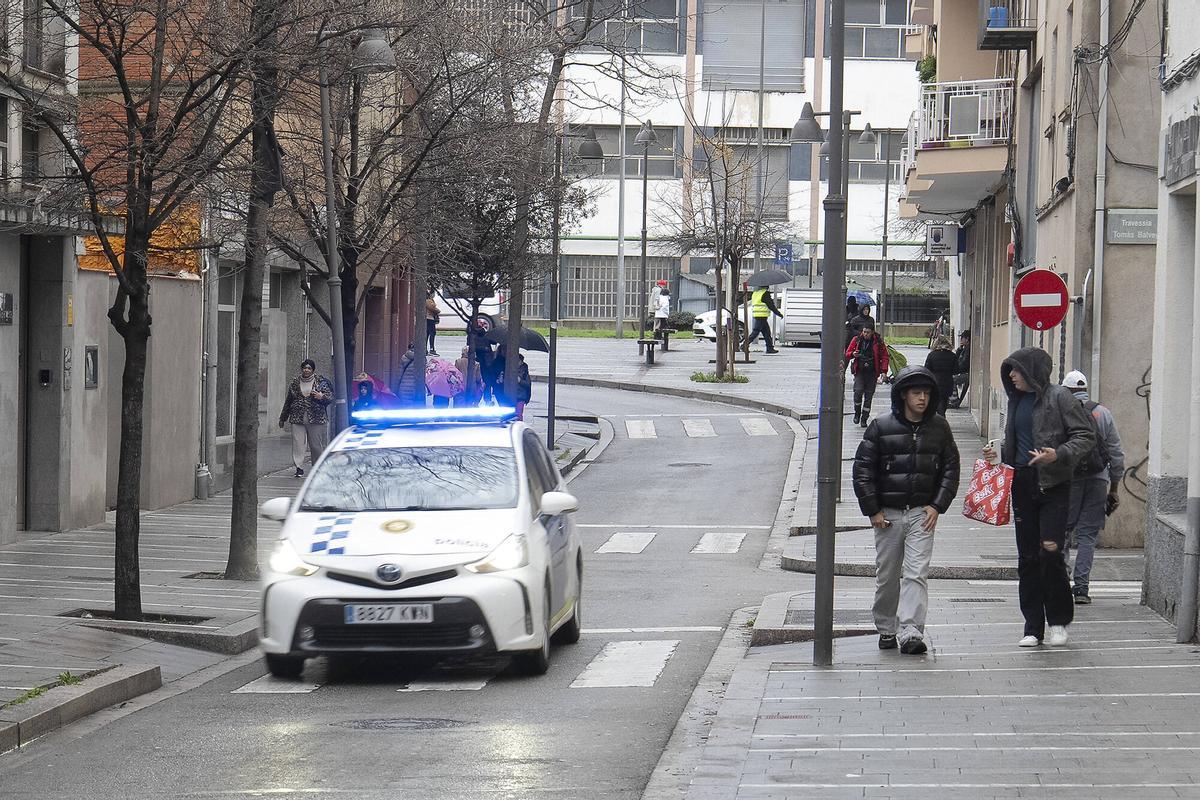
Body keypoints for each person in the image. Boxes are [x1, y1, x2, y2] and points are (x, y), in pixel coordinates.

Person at [983, 348, 1094, 648]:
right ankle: (1033, 626)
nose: (1011, 375)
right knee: (1028, 558)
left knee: (1050, 552)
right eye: (1010, 371)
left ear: (1032, 371)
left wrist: (1057, 454)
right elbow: (1016, 442)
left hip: (1054, 484)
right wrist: (998, 454)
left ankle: (1058, 620)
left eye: (1016, 370)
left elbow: (1085, 436)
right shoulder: (1015, 401)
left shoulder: (1060, 397)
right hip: (1022, 482)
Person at [853, 366, 960, 655]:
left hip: (921, 514)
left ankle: (911, 630)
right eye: (916, 393)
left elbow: (951, 468)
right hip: (887, 514)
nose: (922, 399)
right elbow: (863, 470)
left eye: (926, 393)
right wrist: (873, 510)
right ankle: (887, 627)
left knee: (916, 573)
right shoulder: (881, 426)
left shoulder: (939, 428)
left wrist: (937, 505)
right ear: (903, 396)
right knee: (887, 575)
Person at [1061, 370, 1126, 605]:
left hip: (1068, 480)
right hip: (1099, 479)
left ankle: (1060, 582)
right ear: (1086, 389)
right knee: (1088, 536)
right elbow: (1117, 454)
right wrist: (1115, 487)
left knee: (1062, 532)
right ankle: (1081, 589)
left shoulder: (1061, 411)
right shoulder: (1103, 413)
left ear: (1065, 390)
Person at [278, 359, 333, 478]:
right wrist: (283, 417)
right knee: (298, 443)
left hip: (316, 418)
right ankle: (299, 467)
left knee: (315, 444)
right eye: (304, 368)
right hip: (297, 417)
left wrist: (321, 396)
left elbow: (330, 398)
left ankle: (317, 467)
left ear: (313, 370)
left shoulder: (320, 382)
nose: (306, 370)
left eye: (309, 368)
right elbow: (288, 400)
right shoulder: (295, 382)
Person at [844, 320, 889, 427]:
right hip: (860, 371)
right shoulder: (857, 340)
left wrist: (884, 371)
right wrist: (853, 354)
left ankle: (864, 418)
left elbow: (885, 356)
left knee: (869, 397)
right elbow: (847, 353)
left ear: (872, 332)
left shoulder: (878, 342)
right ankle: (857, 413)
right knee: (858, 392)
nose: (865, 334)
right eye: (864, 332)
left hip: (872, 373)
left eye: (868, 332)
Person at [923, 336, 957, 415]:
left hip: (935, 382)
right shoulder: (952, 355)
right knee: (944, 401)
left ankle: (939, 416)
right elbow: (956, 370)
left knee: (936, 400)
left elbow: (927, 369)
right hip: (948, 382)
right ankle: (941, 415)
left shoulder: (932, 355)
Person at [747, 285, 782, 354]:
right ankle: (744, 345)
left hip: (757, 314)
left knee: (766, 333)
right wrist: (778, 314)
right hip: (761, 315)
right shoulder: (765, 293)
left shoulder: (755, 293)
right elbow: (771, 305)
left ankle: (770, 348)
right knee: (756, 331)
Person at [949, 331, 971, 408]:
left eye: (962, 338)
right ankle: (953, 399)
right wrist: (959, 349)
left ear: (967, 339)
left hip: (967, 374)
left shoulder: (969, 350)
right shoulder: (964, 349)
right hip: (963, 372)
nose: (961, 340)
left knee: (951, 380)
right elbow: (956, 359)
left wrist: (956, 370)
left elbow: (964, 364)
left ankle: (954, 400)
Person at [515, 354, 532, 421]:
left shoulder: (524, 372)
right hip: (512, 395)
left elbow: (528, 384)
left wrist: (520, 381)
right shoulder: (510, 369)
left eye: (518, 361)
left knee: (518, 414)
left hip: (520, 396)